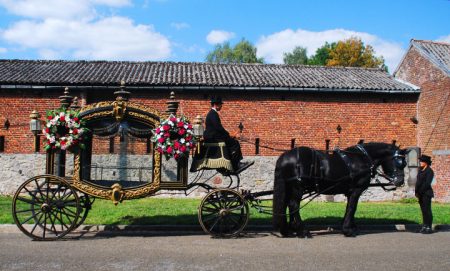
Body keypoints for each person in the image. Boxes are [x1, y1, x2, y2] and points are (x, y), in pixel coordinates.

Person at [203, 96, 252, 172]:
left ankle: (232, 162)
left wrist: (228, 135)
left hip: (214, 137)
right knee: (235, 143)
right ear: (216, 105)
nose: (221, 106)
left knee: (231, 141)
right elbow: (219, 128)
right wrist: (229, 135)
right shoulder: (213, 114)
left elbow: (219, 129)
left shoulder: (211, 114)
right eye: (220, 104)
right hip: (215, 138)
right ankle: (236, 165)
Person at [415, 154, 434, 234]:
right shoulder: (420, 170)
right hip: (420, 194)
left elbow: (427, 184)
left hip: (426, 193)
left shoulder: (429, 171)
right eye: (420, 161)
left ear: (426, 162)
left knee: (427, 210)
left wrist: (420, 192)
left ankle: (429, 226)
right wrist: (416, 192)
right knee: (423, 210)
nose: (420, 163)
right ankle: (424, 225)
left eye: (422, 161)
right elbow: (418, 182)